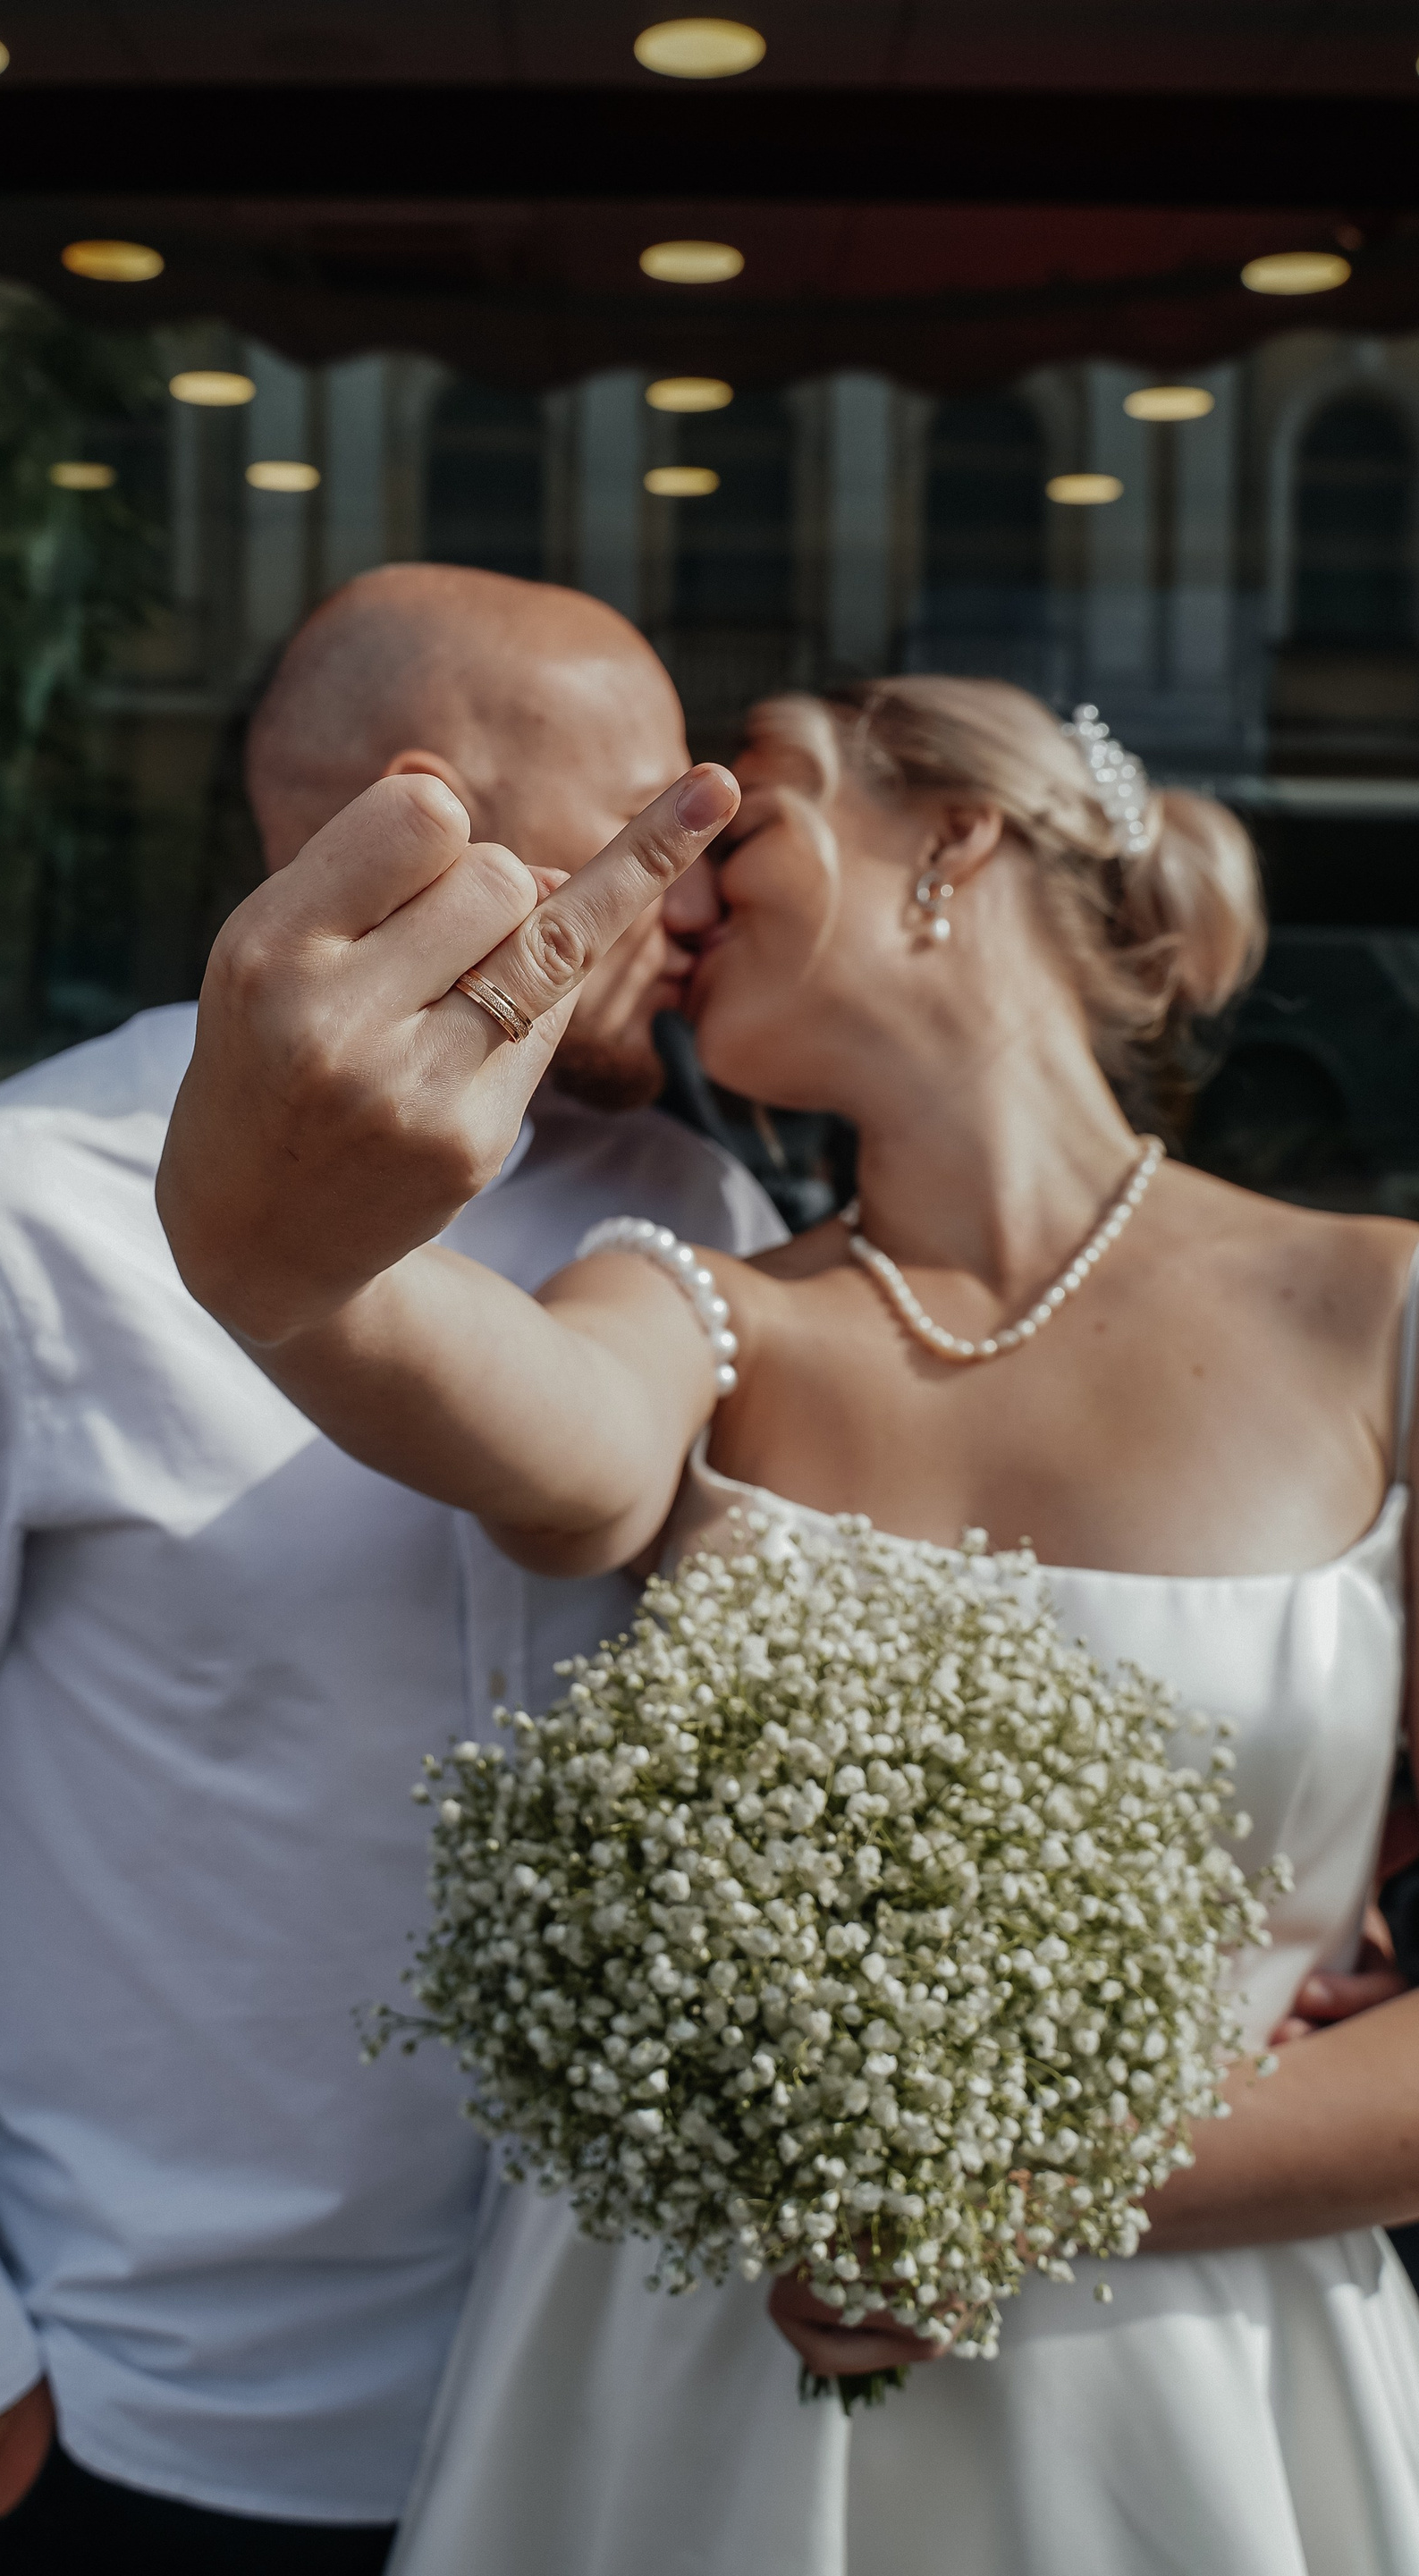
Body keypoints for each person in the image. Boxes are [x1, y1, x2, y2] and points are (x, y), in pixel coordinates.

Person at [156, 675, 1419, 2575]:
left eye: (753, 812)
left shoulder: (1382, 1315)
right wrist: (275, 1255)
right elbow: (548, 1438)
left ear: (958, 837)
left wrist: (1006, 2201)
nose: (681, 892)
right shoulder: (702, 1306)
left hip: (1202, 2400)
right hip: (684, 2401)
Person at [0, 564, 784, 2574]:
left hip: (621, 2412)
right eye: (657, 817)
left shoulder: (696, 1210)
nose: (707, 891)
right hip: (156, 2429)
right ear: (426, 832)